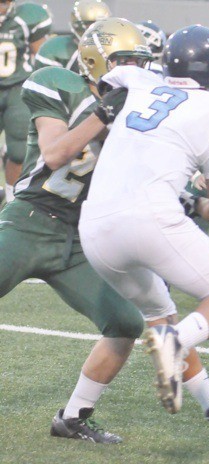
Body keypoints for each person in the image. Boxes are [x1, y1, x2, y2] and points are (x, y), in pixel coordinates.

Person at [78, 25, 209, 432]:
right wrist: (199, 204)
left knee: (160, 312)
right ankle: (175, 341)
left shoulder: (139, 80)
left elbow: (106, 82)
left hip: (94, 227)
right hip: (149, 218)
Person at [0, 17, 151, 444]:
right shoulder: (58, 84)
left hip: (78, 237)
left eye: (137, 61)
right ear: (94, 60)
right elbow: (55, 153)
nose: (131, 69)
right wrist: (106, 111)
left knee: (124, 322)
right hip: (29, 223)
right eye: (121, 60)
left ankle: (72, 417)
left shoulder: (136, 107)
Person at [0, 0, 51, 203]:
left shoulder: (25, 18)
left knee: (19, 150)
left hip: (17, 89)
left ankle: (12, 200)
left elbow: (42, 56)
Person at [33, 0, 111, 73]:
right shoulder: (56, 48)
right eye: (91, 25)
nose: (97, 31)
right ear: (78, 25)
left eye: (102, 25)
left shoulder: (113, 48)